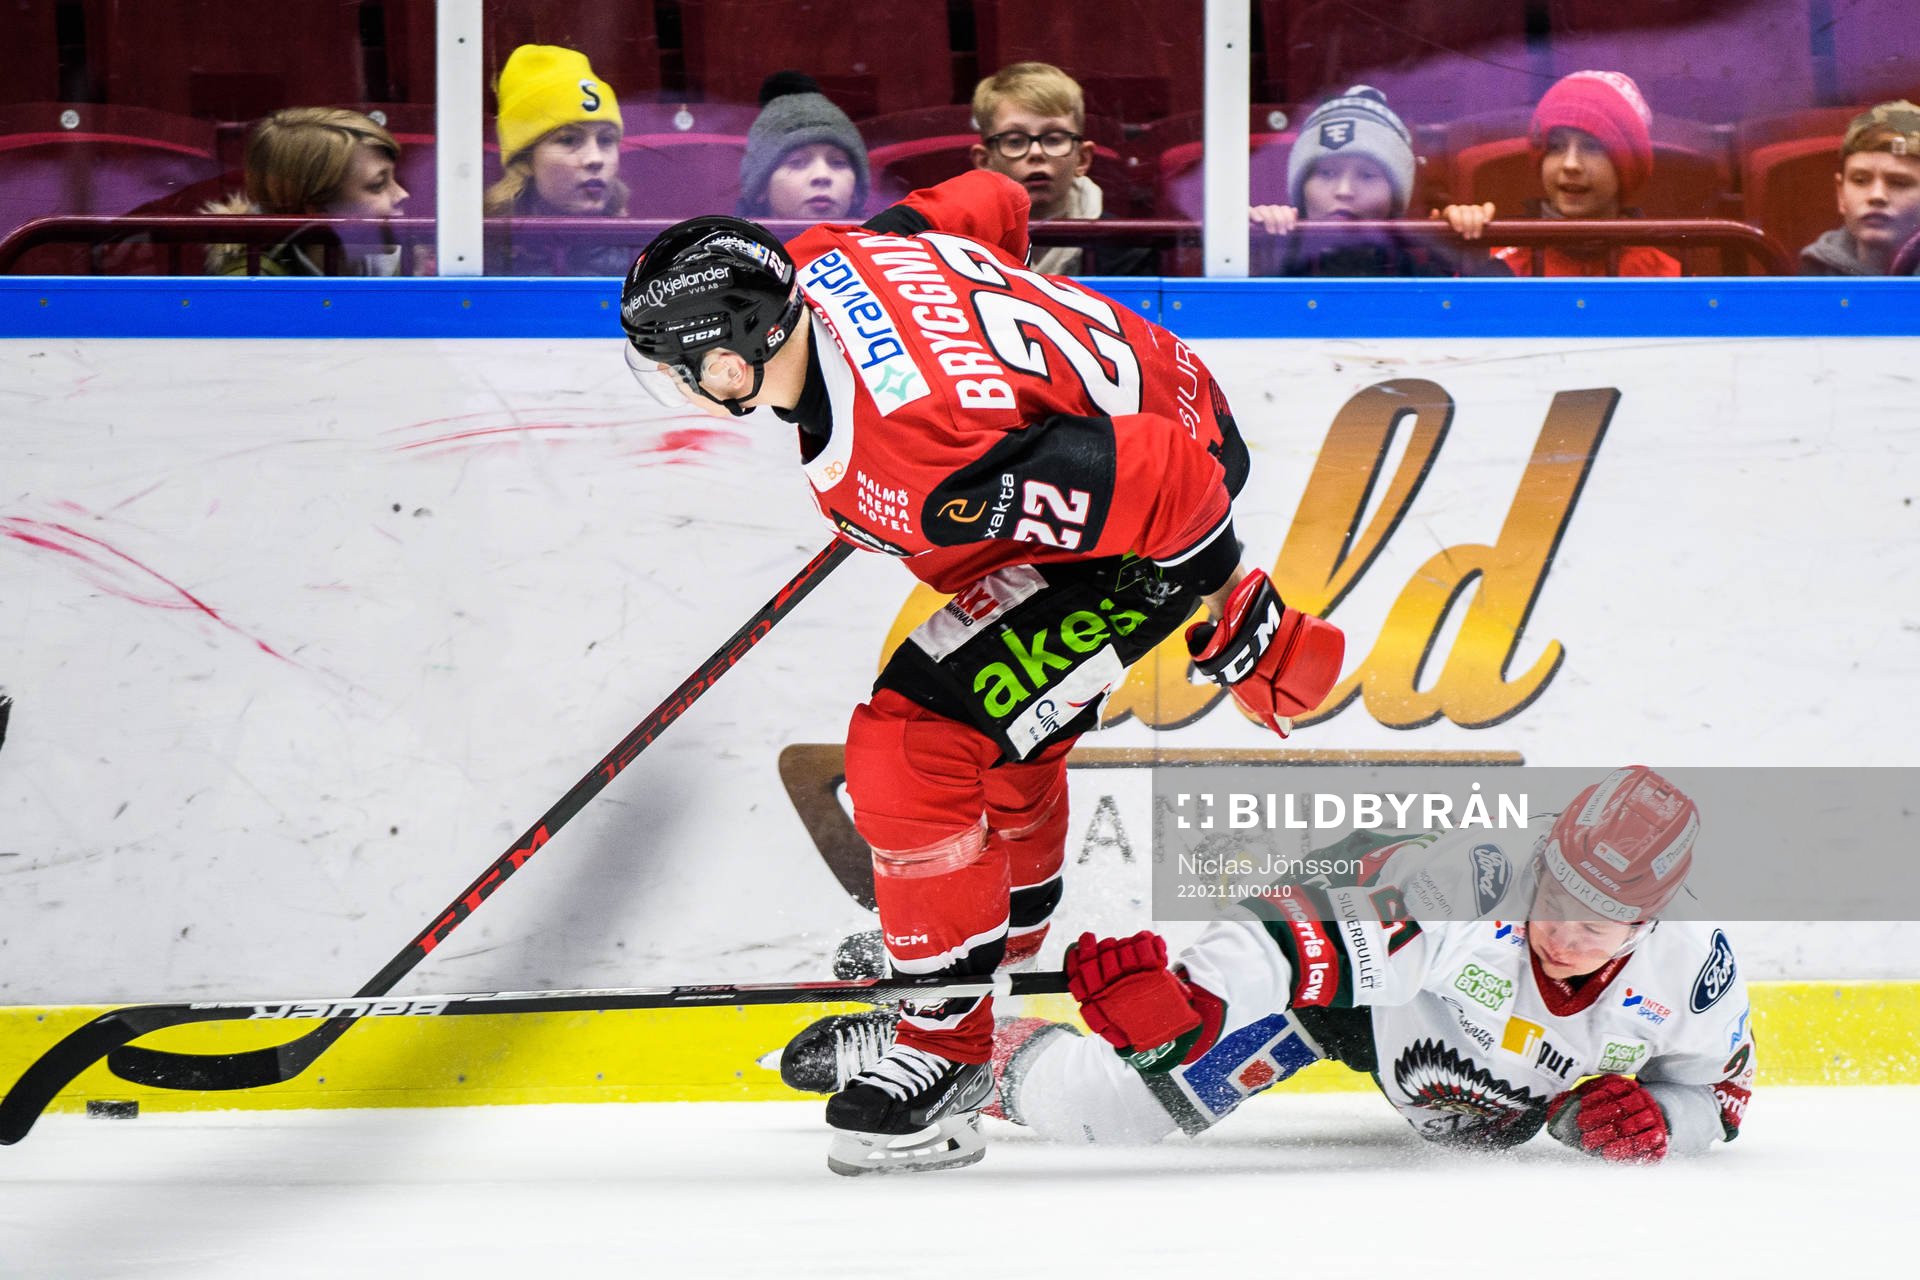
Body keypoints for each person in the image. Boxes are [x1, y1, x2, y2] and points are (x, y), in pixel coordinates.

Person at [618, 169, 1345, 1175]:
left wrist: (1233, 607)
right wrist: (989, 366)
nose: (682, 387)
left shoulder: (919, 460)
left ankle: (946, 1048)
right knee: (1003, 739)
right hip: (1138, 410)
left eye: (680, 368)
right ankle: (988, 956)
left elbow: (1171, 480)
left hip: (1158, 524)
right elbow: (994, 198)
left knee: (913, 744)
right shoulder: (830, 258)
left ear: (733, 360)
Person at [979, 767, 1753, 1162]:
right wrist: (1201, 1000)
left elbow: (1717, 1097)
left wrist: (1660, 1122)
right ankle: (956, 1052)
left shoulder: (1692, 971)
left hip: (1493, 1111)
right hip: (1358, 1012)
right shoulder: (1474, 878)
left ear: (1648, 923)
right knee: (1104, 1113)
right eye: (1552, 896)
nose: (1560, 934)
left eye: (1593, 925)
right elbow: (1301, 933)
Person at [1246, 85, 1504, 277]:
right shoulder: (1275, 256)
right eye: (1327, 174)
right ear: (1301, 189)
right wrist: (1253, 252)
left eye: (1367, 175)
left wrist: (1476, 263)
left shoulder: (1418, 270)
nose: (1344, 191)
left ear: (1396, 196)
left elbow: (1500, 325)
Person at [1485, 71, 1682, 278]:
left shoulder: (1666, 278)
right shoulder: (1499, 264)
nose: (1570, 164)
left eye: (1592, 147)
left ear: (1625, 168)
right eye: (1556, 146)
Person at [969, 61, 1154, 276]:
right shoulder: (955, 245)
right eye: (1015, 141)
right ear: (984, 162)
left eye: (1054, 139)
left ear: (1082, 159)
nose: (1036, 152)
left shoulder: (1126, 250)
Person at [203, 107, 410, 276]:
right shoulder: (255, 286)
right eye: (377, 185)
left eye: (394, 179)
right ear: (316, 208)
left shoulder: (395, 260)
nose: (403, 195)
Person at [483, 44, 629, 275]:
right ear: (525, 160)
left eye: (606, 140)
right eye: (568, 140)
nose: (595, 159)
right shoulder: (474, 255)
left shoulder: (641, 254)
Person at [1800, 100, 1920, 276]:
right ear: (1841, 194)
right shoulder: (1815, 272)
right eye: (1860, 180)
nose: (1876, 195)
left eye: (1899, 183)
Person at [739, 71, 870, 224]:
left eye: (838, 163)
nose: (822, 175)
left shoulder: (884, 238)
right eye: (796, 162)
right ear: (760, 188)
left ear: (856, 192)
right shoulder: (725, 240)